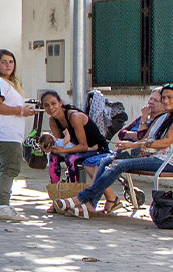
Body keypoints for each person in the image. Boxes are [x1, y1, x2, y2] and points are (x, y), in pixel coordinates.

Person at [68, 87, 173, 218]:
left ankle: (81, 198)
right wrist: (128, 147)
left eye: (169, 97)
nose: (166, 101)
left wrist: (134, 145)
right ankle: (91, 204)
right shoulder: (161, 119)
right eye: (163, 98)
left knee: (118, 165)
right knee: (107, 160)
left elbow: (165, 142)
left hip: (166, 161)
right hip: (152, 155)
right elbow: (144, 138)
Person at [37, 90, 115, 211]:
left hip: (97, 149)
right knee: (53, 157)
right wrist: (51, 148)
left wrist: (62, 150)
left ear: (60, 103)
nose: (51, 108)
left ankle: (75, 199)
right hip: (78, 149)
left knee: (71, 158)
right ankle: (56, 199)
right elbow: (61, 143)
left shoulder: (74, 117)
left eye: (53, 103)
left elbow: (83, 146)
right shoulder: (53, 121)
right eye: (46, 105)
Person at [0, 49, 36, 222]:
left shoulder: (9, 83)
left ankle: (1, 203)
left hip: (9, 134)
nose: (8, 65)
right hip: (4, 134)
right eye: (4, 62)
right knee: (10, 168)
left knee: (1, 168)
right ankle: (3, 204)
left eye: (11, 62)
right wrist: (20, 110)